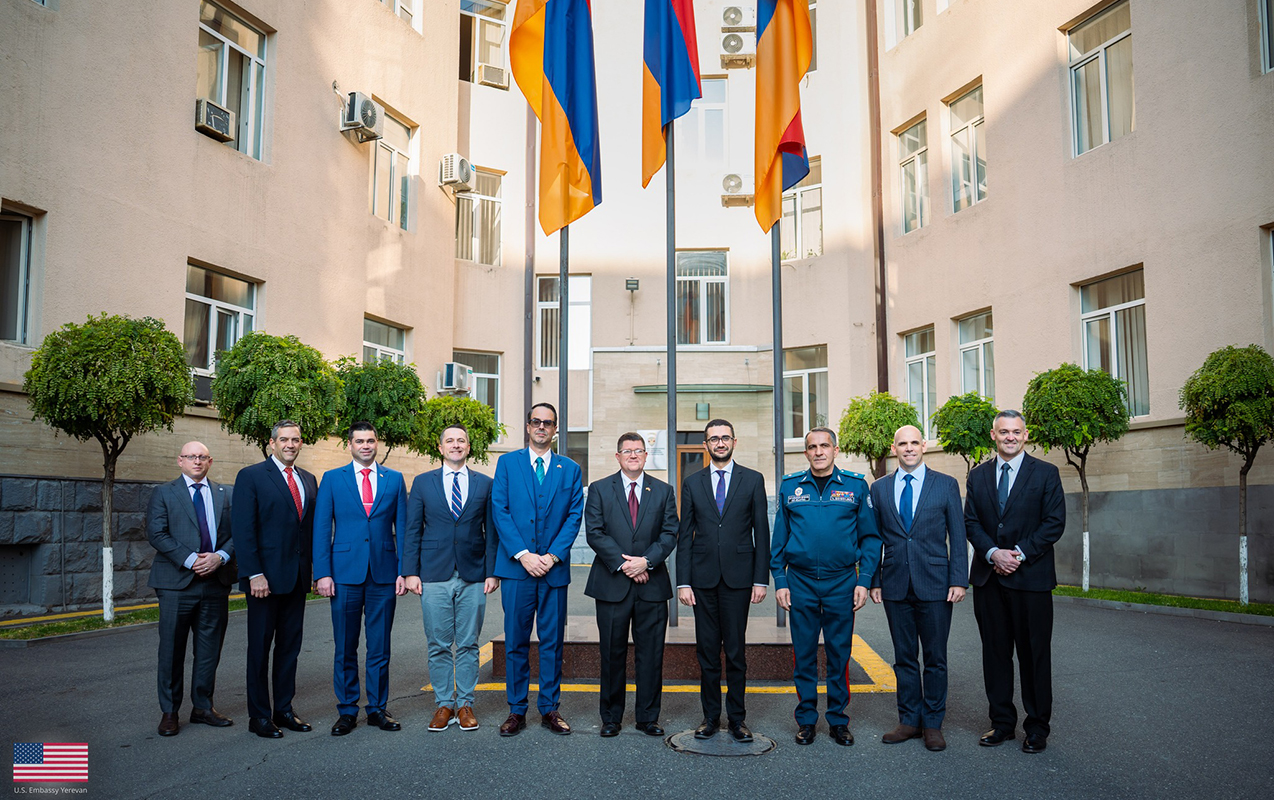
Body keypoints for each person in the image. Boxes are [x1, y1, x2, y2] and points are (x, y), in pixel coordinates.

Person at [771, 427, 880, 747]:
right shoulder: (790, 486)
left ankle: (837, 720)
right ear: (806, 452)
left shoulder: (856, 486)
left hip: (842, 582)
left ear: (835, 450)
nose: (818, 452)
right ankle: (806, 720)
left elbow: (870, 539)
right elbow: (779, 539)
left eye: (824, 446)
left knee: (839, 654)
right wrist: (780, 580)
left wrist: (864, 580)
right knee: (804, 654)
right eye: (812, 447)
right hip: (801, 582)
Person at [964, 410, 1065, 754]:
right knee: (995, 655)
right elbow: (971, 522)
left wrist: (1018, 554)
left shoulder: (1046, 473)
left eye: (1016, 432)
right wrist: (994, 553)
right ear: (993, 435)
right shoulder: (978, 476)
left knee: (1034, 656)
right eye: (1004, 431)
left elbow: (1054, 522)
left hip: (1031, 579)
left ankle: (1036, 727)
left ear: (1026, 435)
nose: (1010, 437)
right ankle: (1002, 723)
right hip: (989, 579)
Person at [868, 425, 968, 752]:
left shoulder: (946, 484)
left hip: (936, 584)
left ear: (924, 445)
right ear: (893, 448)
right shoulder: (879, 489)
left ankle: (933, 724)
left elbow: (957, 534)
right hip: (895, 585)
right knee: (904, 658)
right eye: (903, 444)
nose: (909, 448)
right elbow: (874, 539)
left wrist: (958, 579)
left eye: (914, 442)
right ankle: (909, 720)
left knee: (935, 658)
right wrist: (875, 581)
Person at [491, 402, 584, 736]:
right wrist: (523, 555)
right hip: (518, 570)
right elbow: (500, 510)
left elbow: (574, 515)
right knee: (516, 641)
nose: (542, 426)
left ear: (555, 429)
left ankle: (549, 708)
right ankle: (516, 710)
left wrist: (553, 556)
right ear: (528, 426)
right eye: (536, 421)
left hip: (553, 571)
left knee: (552, 642)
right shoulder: (507, 463)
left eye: (548, 422)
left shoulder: (570, 469)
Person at [676, 419, 769, 743]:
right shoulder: (692, 482)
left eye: (725, 437)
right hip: (702, 580)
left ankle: (738, 720)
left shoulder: (753, 479)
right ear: (706, 445)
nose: (719, 443)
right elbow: (685, 535)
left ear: (734, 442)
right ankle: (710, 718)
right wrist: (683, 582)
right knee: (707, 652)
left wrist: (761, 579)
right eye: (713, 438)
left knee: (736, 652)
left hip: (739, 579)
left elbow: (761, 532)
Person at [313, 422, 408, 736]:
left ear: (377, 443)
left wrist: (403, 571)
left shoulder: (394, 479)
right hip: (344, 574)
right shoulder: (332, 479)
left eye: (370, 440)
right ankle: (347, 710)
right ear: (349, 445)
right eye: (359, 441)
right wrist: (322, 573)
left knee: (380, 647)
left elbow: (403, 529)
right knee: (345, 647)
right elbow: (321, 529)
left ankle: (378, 709)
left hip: (384, 574)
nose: (365, 445)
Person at [403, 423, 499, 733]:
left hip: (474, 574)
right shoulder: (422, 483)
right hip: (433, 573)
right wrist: (410, 572)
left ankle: (466, 704)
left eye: (461, 441)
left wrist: (492, 571)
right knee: (438, 644)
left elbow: (491, 532)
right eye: (450, 441)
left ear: (468, 447)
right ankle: (444, 704)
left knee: (469, 644)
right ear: (440, 447)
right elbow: (412, 530)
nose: (456, 445)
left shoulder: (485, 484)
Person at [583, 432, 679, 738]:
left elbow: (670, 533)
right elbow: (595, 532)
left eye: (638, 450)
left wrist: (646, 561)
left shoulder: (663, 490)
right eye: (627, 451)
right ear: (618, 456)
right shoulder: (599, 489)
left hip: (652, 585)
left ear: (646, 456)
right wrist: (627, 564)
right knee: (612, 654)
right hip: (612, 584)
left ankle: (648, 717)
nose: (633, 455)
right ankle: (611, 718)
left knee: (651, 655)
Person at [233, 419, 318, 739]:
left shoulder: (308, 479)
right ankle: (259, 715)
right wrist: (254, 573)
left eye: (295, 439)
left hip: (296, 579)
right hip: (264, 582)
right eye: (284, 439)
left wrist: (314, 572)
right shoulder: (251, 476)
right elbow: (243, 530)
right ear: (272, 443)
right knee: (259, 649)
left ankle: (283, 709)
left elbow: (307, 531)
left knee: (289, 648)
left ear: (301, 443)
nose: (290, 445)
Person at [145, 441, 236, 737]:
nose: (197, 461)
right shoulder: (164, 493)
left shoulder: (226, 493)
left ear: (210, 461)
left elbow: (238, 533)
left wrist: (220, 557)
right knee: (171, 649)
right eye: (191, 457)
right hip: (176, 583)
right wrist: (190, 560)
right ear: (180, 461)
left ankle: (202, 707)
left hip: (215, 582)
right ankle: (170, 711)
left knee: (209, 650)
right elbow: (156, 533)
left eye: (202, 457)